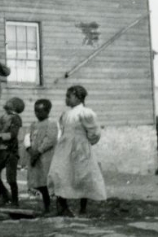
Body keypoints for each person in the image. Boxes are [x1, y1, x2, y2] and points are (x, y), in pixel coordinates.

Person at [47, 85, 107, 217]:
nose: (66, 99)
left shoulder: (85, 113)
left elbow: (94, 132)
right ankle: (63, 206)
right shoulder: (65, 115)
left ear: (78, 97)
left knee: (82, 175)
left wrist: (86, 142)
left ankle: (83, 208)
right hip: (64, 148)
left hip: (80, 148)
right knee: (61, 173)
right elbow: (62, 131)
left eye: (69, 96)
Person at [0, 96, 24, 206]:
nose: (7, 102)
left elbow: (12, 135)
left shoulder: (16, 118)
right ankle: (5, 194)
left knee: (11, 178)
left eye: (10, 102)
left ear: (15, 107)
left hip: (10, 152)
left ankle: (15, 202)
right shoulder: (4, 116)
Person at [25, 99, 59, 214]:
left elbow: (50, 140)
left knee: (47, 181)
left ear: (47, 111)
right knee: (39, 182)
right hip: (35, 156)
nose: (37, 113)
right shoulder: (34, 124)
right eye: (35, 111)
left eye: (40, 111)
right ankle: (46, 205)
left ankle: (54, 206)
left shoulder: (51, 123)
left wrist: (38, 151)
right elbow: (28, 137)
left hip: (46, 157)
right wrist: (30, 150)